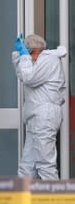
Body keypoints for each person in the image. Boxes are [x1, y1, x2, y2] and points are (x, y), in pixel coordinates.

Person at [12, 34, 66, 180]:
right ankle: (24, 201)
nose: (28, 58)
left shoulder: (48, 59)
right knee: (27, 166)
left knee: (45, 164)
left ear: (34, 50)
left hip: (45, 115)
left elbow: (29, 78)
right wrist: (19, 56)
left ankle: (55, 201)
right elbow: (22, 74)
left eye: (29, 53)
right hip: (36, 116)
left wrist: (23, 57)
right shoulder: (39, 61)